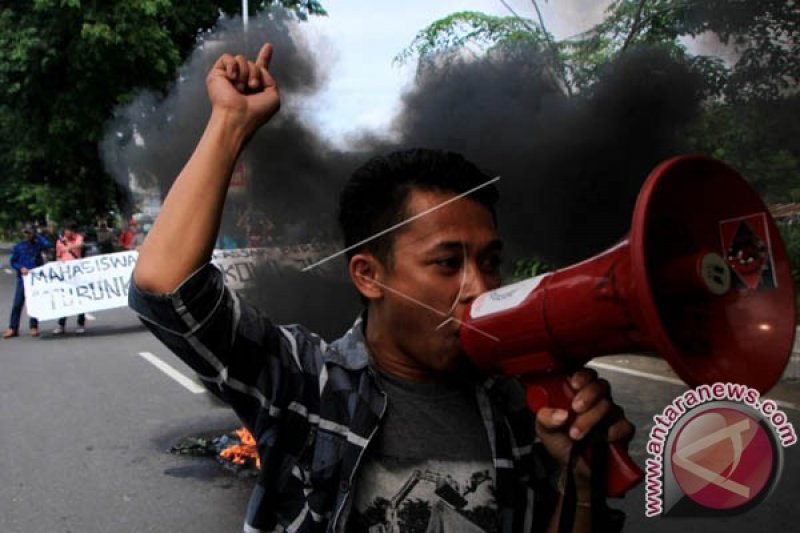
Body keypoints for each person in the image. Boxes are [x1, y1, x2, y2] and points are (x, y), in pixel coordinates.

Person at [130, 43, 634, 532]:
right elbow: (166, 288)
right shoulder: (307, 386)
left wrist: (579, 485)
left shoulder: (520, 406)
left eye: (490, 261)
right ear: (368, 274)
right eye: (446, 262)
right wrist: (229, 122)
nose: (478, 287)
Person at [4, 224, 51, 338]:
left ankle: (34, 326)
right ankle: (13, 328)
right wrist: (20, 268)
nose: (27, 235)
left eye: (29, 232)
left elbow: (48, 245)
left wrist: (38, 236)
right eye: (25, 232)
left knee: (34, 303)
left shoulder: (38, 245)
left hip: (36, 279)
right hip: (23, 279)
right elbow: (13, 261)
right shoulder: (19, 246)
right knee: (17, 304)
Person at [53, 221, 86, 335]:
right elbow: (58, 256)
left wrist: (69, 247)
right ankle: (61, 324)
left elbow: (80, 244)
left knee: (80, 298)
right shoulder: (60, 242)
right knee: (65, 298)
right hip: (65, 273)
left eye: (70, 230)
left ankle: (80, 323)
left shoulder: (78, 238)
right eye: (66, 230)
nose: (67, 232)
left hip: (77, 272)